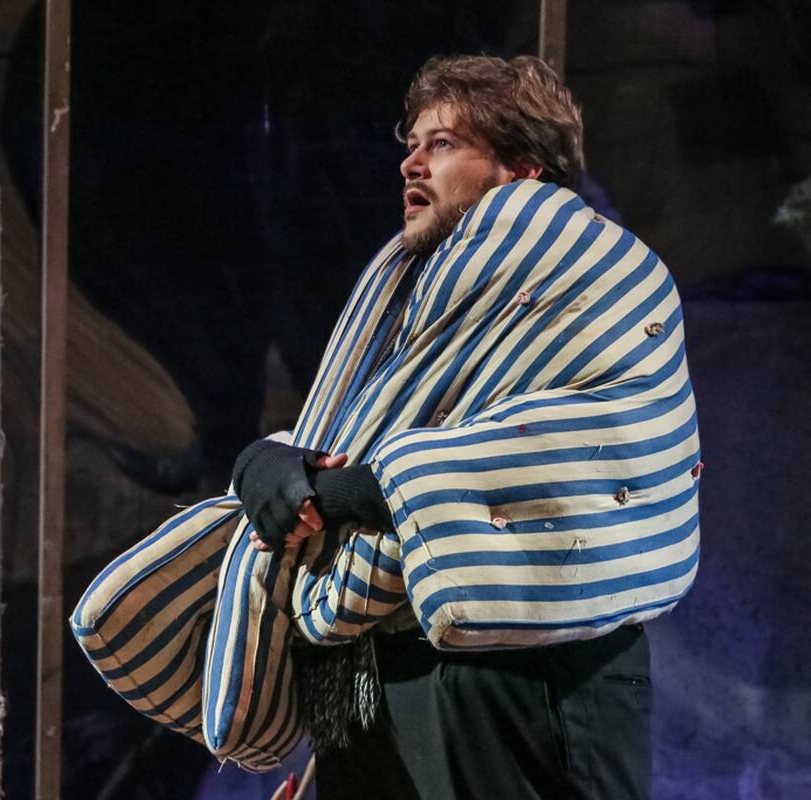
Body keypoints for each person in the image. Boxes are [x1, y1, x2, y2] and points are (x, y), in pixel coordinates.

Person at [230, 55, 686, 799]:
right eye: (411, 144)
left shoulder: (603, 272)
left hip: (525, 666)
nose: (411, 162)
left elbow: (573, 453)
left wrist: (340, 493)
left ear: (523, 169)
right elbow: (355, 432)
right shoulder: (406, 293)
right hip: (380, 666)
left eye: (441, 144)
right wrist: (272, 467)